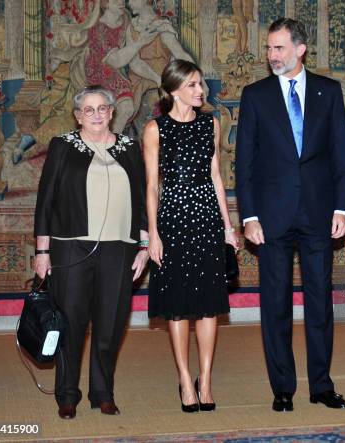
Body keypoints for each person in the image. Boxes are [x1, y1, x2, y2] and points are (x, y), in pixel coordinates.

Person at [235, 18, 345, 412]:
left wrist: (342, 207)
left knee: (320, 302)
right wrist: (249, 216)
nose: (272, 56)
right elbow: (245, 162)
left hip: (319, 214)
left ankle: (321, 386)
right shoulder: (256, 95)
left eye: (279, 48)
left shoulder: (329, 91)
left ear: (300, 49)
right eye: (269, 49)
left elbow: (341, 154)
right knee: (276, 304)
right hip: (271, 218)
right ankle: (282, 388)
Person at [33, 85, 150, 419]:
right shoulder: (62, 146)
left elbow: (142, 200)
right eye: (89, 110)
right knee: (70, 322)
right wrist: (43, 251)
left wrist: (143, 245)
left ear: (112, 112)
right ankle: (67, 394)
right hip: (70, 247)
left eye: (103, 109)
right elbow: (46, 200)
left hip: (121, 249)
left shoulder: (129, 147)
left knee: (110, 324)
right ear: (77, 115)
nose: (97, 115)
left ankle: (103, 392)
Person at [144, 60, 239, 413]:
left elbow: (216, 176)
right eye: (194, 86)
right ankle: (185, 379)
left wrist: (228, 228)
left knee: (209, 306)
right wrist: (153, 234)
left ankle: (206, 379)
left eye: (202, 85)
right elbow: (153, 186)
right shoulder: (155, 129)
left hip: (206, 221)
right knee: (179, 306)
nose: (202, 91)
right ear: (173, 90)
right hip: (172, 221)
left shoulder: (209, 124)